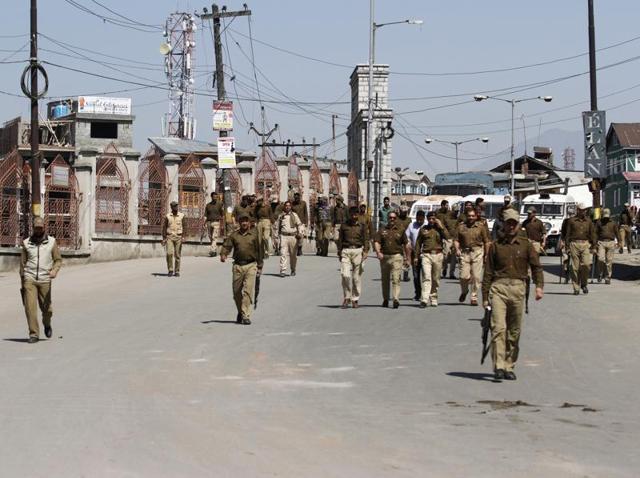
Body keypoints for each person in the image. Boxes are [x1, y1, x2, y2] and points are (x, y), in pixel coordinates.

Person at [482, 208, 544, 381]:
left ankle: (509, 365)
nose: (510, 226)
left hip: (518, 288)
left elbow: (536, 267)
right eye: (508, 223)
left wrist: (539, 287)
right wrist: (485, 296)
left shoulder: (526, 245)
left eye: (513, 223)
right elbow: (487, 272)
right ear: (504, 224)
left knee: (514, 331)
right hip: (499, 289)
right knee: (498, 329)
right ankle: (499, 366)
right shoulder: (496, 246)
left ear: (518, 225)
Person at [19, 217, 62, 343]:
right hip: (30, 278)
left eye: (40, 228)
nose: (38, 230)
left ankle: (47, 324)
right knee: (30, 308)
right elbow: (22, 264)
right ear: (33, 228)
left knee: (47, 309)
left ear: (44, 227)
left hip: (45, 279)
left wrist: (54, 271)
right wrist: (23, 283)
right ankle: (34, 334)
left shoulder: (51, 242)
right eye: (36, 228)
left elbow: (58, 260)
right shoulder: (26, 243)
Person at [220, 214, 263, 325]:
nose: (244, 223)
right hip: (238, 266)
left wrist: (260, 266)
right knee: (236, 293)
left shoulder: (254, 235)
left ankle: (245, 315)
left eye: (246, 221)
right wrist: (223, 254)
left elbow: (259, 251)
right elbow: (227, 246)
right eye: (242, 221)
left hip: (251, 265)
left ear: (249, 223)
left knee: (248, 291)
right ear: (239, 223)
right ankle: (240, 311)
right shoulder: (234, 235)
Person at [374, 211, 411, 308]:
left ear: (396, 219)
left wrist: (408, 258)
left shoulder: (401, 230)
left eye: (394, 218)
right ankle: (386, 299)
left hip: (397, 257)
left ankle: (395, 299)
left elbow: (406, 245)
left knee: (396, 279)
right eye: (390, 217)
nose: (392, 219)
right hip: (385, 257)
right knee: (385, 280)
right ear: (388, 218)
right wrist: (378, 252)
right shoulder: (382, 230)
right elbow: (377, 242)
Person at [454, 208, 490, 306]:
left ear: (476, 216)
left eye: (472, 216)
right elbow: (456, 239)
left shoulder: (481, 227)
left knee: (476, 277)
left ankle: (474, 297)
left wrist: (486, 255)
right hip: (465, 252)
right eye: (469, 216)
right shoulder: (461, 227)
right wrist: (457, 249)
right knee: (463, 276)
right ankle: (464, 291)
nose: (470, 218)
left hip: (477, 252)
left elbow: (486, 241)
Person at [414, 211, 450, 307]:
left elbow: (448, 237)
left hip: (438, 255)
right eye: (429, 218)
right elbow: (418, 244)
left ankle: (433, 297)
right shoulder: (423, 229)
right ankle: (424, 299)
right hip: (426, 255)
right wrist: (416, 257)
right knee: (426, 277)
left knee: (435, 278)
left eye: (433, 219)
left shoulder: (440, 229)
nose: (431, 220)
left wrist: (441, 226)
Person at [337, 206, 370, 308]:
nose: (354, 216)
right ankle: (347, 297)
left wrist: (365, 251)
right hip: (346, 251)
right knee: (345, 275)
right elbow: (340, 239)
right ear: (349, 215)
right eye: (352, 214)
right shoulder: (344, 226)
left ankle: (355, 299)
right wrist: (339, 252)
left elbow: (365, 239)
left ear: (358, 215)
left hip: (358, 251)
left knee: (356, 278)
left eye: (355, 214)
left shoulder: (362, 226)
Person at [563, 203, 596, 295]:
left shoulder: (589, 221)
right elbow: (567, 234)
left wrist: (594, 246)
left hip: (585, 244)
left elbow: (592, 234)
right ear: (578, 210)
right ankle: (576, 287)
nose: (584, 211)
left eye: (585, 210)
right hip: (574, 244)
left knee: (586, 265)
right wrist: (567, 246)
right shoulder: (571, 221)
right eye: (582, 209)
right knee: (575, 267)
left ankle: (584, 284)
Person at [276, 200, 303, 277]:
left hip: (293, 237)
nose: (287, 207)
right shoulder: (281, 216)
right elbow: (277, 227)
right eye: (286, 205)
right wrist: (277, 238)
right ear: (284, 207)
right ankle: (283, 270)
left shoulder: (294, 215)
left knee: (293, 255)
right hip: (284, 236)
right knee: (283, 254)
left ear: (291, 207)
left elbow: (299, 225)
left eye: (289, 205)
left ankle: (293, 269)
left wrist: (300, 233)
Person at [406, 209, 426, 301]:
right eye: (418, 219)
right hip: (415, 254)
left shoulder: (427, 225)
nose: (419, 221)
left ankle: (426, 294)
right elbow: (407, 237)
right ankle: (418, 293)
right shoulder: (411, 225)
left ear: (424, 218)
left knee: (426, 275)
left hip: (426, 254)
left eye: (421, 220)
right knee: (416, 275)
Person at [596, 208, 619, 284]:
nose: (606, 218)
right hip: (601, 242)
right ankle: (600, 273)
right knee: (600, 259)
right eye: (604, 216)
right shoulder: (599, 222)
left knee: (609, 261)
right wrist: (594, 243)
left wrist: (619, 242)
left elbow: (617, 233)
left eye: (607, 216)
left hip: (611, 242)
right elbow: (595, 233)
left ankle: (608, 277)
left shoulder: (613, 223)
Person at [162, 201, 185, 277]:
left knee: (177, 255)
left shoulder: (181, 215)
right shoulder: (168, 216)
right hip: (170, 237)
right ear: (171, 207)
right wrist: (164, 238)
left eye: (176, 206)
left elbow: (185, 226)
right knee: (169, 253)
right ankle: (170, 270)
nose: (175, 207)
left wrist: (184, 237)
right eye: (174, 206)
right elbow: (164, 227)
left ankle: (177, 271)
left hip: (179, 237)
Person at [205, 192, 224, 256]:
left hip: (216, 222)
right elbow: (205, 215)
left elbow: (222, 213)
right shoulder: (208, 205)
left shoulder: (219, 204)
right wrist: (204, 223)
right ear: (211, 197)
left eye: (216, 197)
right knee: (210, 237)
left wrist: (222, 222)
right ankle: (214, 250)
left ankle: (212, 251)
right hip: (209, 222)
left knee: (214, 237)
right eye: (214, 197)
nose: (215, 198)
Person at [397, 205, 412, 282]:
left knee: (406, 257)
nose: (404, 213)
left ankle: (405, 275)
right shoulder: (396, 219)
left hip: (406, 241)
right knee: (398, 258)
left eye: (405, 212)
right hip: (398, 241)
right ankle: (398, 275)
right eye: (402, 211)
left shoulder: (409, 220)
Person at [291, 192, 309, 256]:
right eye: (295, 198)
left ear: (299, 197)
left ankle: (299, 248)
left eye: (297, 198)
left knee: (301, 236)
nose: (296, 199)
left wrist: (306, 222)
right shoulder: (292, 204)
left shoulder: (303, 203)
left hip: (301, 222)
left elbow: (305, 213)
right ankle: (295, 248)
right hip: (294, 222)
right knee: (295, 236)